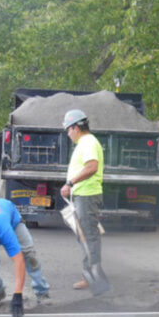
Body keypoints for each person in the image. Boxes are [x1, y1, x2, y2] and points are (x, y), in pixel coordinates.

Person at [59, 109, 106, 290]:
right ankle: (92, 275)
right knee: (86, 236)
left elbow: (92, 167)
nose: (68, 134)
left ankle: (93, 278)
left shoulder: (87, 142)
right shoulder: (87, 142)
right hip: (83, 195)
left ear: (75, 127)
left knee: (89, 237)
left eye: (68, 130)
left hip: (87, 195)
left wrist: (70, 182)